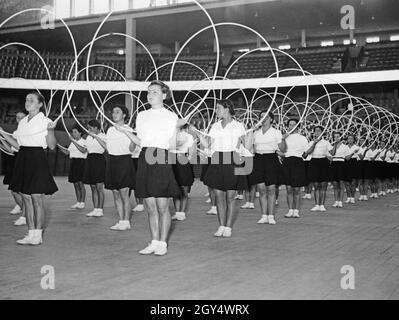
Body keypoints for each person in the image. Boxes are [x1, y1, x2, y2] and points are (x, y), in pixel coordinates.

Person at [117, 80, 183, 255]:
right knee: (150, 205)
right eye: (149, 91)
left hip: (161, 155)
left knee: (162, 205)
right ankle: (154, 241)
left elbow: (172, 144)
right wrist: (126, 132)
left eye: (155, 91)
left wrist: (176, 128)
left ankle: (163, 243)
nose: (150, 94)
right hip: (145, 156)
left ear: (164, 95)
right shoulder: (142, 115)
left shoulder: (171, 116)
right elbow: (141, 142)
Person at [0, 92, 58, 245]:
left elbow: (51, 146)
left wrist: (51, 131)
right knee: (26, 198)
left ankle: (38, 235)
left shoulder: (45, 121)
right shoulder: (23, 121)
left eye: (32, 100)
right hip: (23, 157)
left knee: (36, 198)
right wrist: (1, 132)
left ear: (40, 104)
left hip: (37, 158)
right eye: (26, 100)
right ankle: (30, 233)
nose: (28, 102)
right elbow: (18, 144)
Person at [196, 99, 248, 237]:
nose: (216, 111)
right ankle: (221, 225)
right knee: (219, 195)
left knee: (231, 196)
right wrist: (199, 136)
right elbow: (208, 145)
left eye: (218, 108)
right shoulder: (215, 126)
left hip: (233, 159)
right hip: (217, 159)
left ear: (226, 109)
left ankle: (228, 227)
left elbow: (246, 145)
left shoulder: (239, 126)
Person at [93, 105, 136, 231]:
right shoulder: (110, 130)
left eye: (117, 112)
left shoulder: (129, 129)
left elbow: (131, 149)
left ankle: (126, 221)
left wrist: (133, 138)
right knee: (115, 194)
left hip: (124, 161)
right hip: (112, 162)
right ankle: (121, 220)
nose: (114, 114)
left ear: (124, 115)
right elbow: (108, 148)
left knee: (124, 194)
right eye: (113, 112)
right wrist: (97, 137)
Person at [248, 110, 284, 225]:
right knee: (261, 189)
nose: (263, 119)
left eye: (266, 117)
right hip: (258, 159)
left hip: (271, 159)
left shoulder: (276, 132)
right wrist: (250, 132)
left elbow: (283, 149)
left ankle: (271, 216)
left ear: (271, 120)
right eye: (261, 117)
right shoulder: (256, 133)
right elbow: (251, 149)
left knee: (271, 189)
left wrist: (282, 138)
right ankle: (264, 215)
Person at [1, 111, 27, 226]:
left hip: (24, 160)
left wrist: (2, 132)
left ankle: (25, 215)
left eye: (22, 117)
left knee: (21, 191)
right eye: (17, 117)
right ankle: (23, 212)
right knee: (14, 190)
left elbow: (18, 147)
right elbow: (11, 149)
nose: (19, 119)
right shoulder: (17, 132)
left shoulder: (26, 131)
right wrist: (1, 140)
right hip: (17, 158)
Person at [280, 118, 308, 218]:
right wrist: (283, 139)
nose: (292, 126)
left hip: (298, 162)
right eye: (290, 124)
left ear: (298, 126)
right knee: (288, 188)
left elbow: (305, 153)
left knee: (296, 189)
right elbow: (283, 150)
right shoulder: (284, 137)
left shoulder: (302, 138)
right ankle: (290, 210)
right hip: (287, 162)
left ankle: (296, 210)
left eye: (294, 124)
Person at [170, 124, 196, 221]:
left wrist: (187, 159)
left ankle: (182, 212)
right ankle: (177, 212)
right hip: (172, 159)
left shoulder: (188, 136)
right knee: (174, 187)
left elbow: (191, 150)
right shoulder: (171, 134)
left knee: (184, 188)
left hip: (182, 160)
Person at [80, 120, 106, 217]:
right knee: (93, 187)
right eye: (88, 128)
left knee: (99, 187)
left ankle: (100, 209)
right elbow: (84, 150)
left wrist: (96, 137)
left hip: (99, 160)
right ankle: (95, 209)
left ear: (96, 128)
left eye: (90, 128)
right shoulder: (88, 137)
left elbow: (106, 147)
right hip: (90, 160)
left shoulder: (103, 136)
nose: (89, 130)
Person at [57, 125, 87, 210]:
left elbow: (83, 150)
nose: (73, 134)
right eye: (73, 132)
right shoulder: (72, 142)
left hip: (81, 162)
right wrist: (58, 145)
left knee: (80, 183)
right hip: (73, 162)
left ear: (80, 133)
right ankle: (78, 202)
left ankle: (82, 202)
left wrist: (73, 141)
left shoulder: (83, 141)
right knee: (75, 183)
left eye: (75, 132)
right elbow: (67, 152)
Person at [303, 126, 332, 212]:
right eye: (315, 131)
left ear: (322, 133)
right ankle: (316, 205)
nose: (317, 132)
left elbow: (332, 153)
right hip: (314, 162)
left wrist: (336, 145)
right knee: (316, 185)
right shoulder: (310, 143)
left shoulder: (326, 143)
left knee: (323, 185)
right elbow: (305, 155)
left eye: (319, 131)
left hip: (324, 162)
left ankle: (322, 205)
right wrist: (314, 143)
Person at [330, 132, 350, 208]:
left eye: (338, 136)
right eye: (335, 137)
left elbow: (347, 158)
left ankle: (340, 201)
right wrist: (334, 145)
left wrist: (352, 154)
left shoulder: (345, 147)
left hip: (341, 164)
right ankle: (336, 201)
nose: (336, 138)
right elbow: (331, 155)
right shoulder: (331, 146)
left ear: (340, 137)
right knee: (335, 184)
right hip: (334, 164)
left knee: (341, 184)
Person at [345, 134, 362, 203]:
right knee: (347, 183)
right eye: (349, 138)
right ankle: (348, 197)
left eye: (351, 139)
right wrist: (353, 153)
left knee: (353, 183)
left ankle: (352, 197)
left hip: (354, 164)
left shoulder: (357, 147)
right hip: (346, 164)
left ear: (354, 140)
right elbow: (346, 158)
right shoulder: (345, 147)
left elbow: (361, 158)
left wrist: (358, 153)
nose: (350, 140)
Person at [131, 144, 144, 212]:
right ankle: (138, 204)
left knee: (139, 182)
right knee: (132, 182)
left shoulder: (140, 136)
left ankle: (140, 204)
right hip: (130, 158)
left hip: (139, 159)